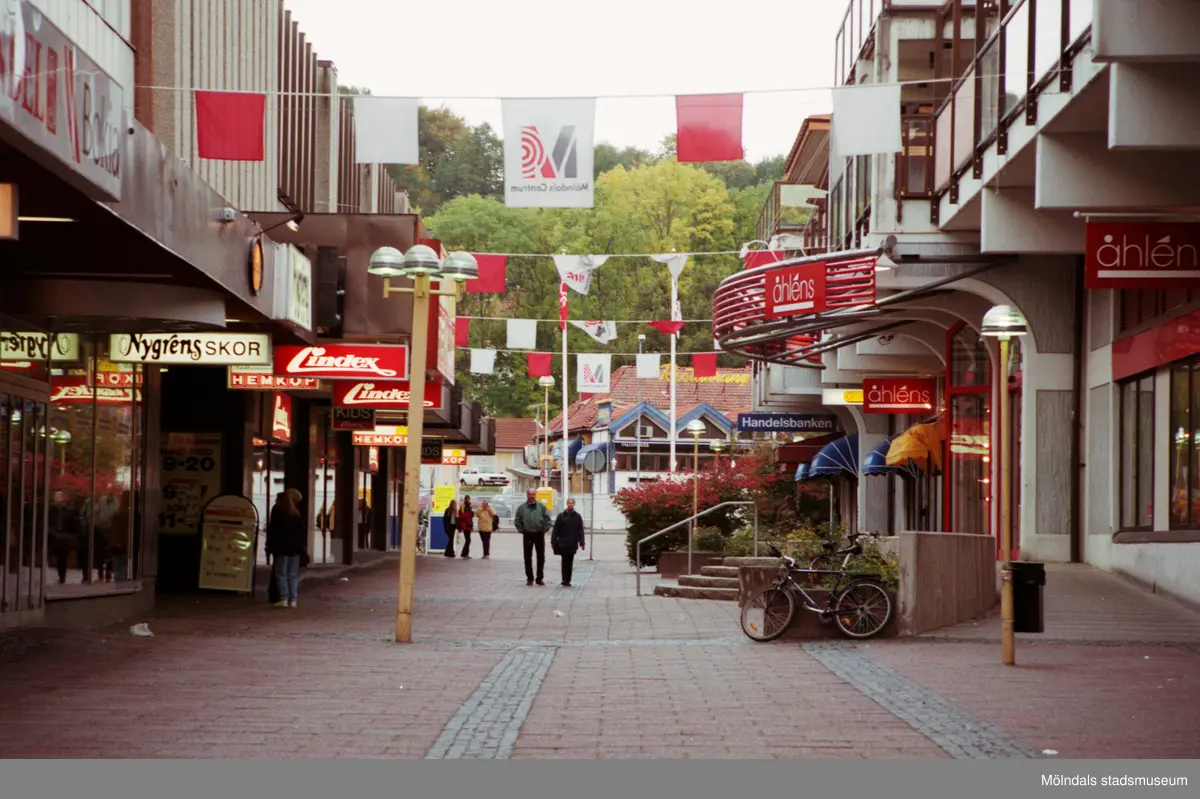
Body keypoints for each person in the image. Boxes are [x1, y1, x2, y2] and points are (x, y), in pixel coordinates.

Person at [266, 489, 307, 608]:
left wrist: (269, 547)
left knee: (281, 573)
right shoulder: (296, 514)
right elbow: (301, 534)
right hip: (295, 550)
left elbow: (273, 532)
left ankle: (283, 598)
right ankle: (293, 600)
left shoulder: (278, 512)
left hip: (281, 549)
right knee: (293, 574)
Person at [513, 489, 551, 586]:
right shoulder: (522, 508)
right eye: (530, 494)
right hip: (527, 534)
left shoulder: (541, 506)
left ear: (535, 495)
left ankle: (539, 578)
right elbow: (517, 520)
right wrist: (523, 530)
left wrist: (544, 529)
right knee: (527, 557)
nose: (531, 496)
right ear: (527, 495)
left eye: (533, 494)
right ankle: (529, 578)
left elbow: (547, 519)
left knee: (541, 557)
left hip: (539, 534)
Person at [551, 498, 586, 587]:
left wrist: (582, 542)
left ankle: (568, 579)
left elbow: (580, 530)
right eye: (569, 503)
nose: (570, 505)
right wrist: (554, 541)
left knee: (570, 561)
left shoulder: (577, 516)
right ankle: (564, 579)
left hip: (572, 542)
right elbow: (556, 529)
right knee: (564, 561)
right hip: (563, 542)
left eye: (572, 503)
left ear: (574, 504)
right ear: (567, 504)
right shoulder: (561, 516)